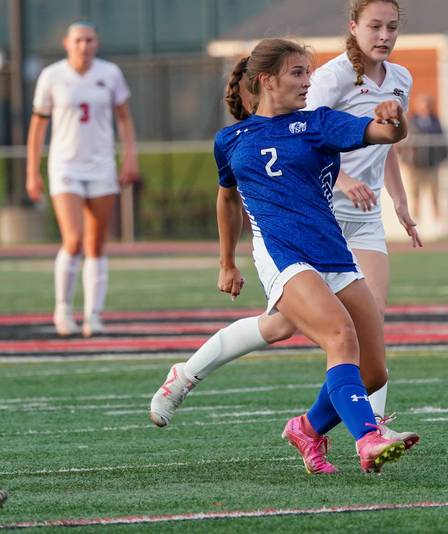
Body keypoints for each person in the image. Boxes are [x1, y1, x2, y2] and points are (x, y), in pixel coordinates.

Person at [147, 0, 419, 450]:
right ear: (266, 80)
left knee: (371, 370)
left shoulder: (316, 124)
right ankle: (368, 436)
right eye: (297, 73)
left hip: (330, 241)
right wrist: (226, 263)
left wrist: (394, 119)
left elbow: (387, 136)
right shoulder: (231, 139)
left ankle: (307, 429)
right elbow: (227, 197)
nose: (308, 81)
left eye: (308, 73)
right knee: (339, 335)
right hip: (282, 250)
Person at [26, 20, 139, 337]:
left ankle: (93, 315)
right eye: (78, 40)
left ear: (97, 43)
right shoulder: (52, 76)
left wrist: (130, 156)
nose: (83, 46)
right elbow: (37, 127)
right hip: (65, 166)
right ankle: (63, 309)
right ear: (67, 44)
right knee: (73, 239)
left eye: (89, 40)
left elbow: (124, 118)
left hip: (102, 165)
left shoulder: (110, 73)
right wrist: (32, 171)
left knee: (96, 243)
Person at [403, 94, 448, 223]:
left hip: (432, 165)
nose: (425, 108)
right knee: (415, 196)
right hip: (415, 166)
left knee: (436, 196)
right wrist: (407, 161)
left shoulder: (436, 122)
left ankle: (439, 226)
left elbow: (442, 142)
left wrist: (441, 159)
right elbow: (403, 144)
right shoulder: (410, 122)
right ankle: (416, 225)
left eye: (427, 105)